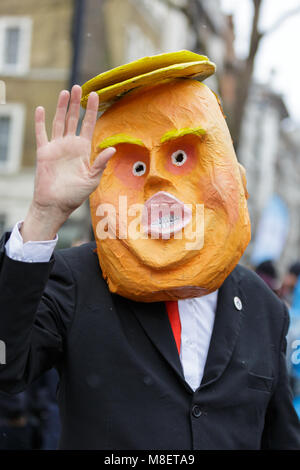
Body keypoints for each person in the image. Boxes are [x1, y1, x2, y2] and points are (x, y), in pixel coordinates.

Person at [0, 51, 300, 450]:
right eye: (135, 166)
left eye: (181, 156)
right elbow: (5, 365)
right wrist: (42, 216)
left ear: (238, 179)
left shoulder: (264, 308)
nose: (157, 178)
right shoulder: (75, 281)